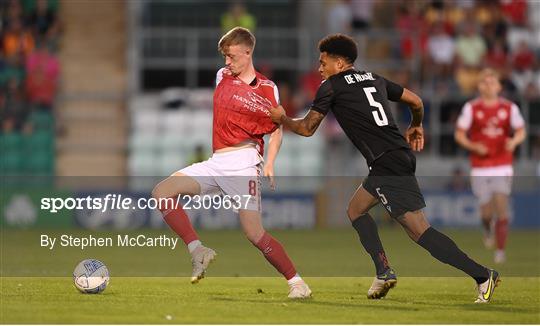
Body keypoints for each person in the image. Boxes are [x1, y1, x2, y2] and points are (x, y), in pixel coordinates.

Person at [269, 34, 499, 303]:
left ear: (340, 63)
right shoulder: (373, 78)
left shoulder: (331, 86)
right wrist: (416, 124)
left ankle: (482, 275)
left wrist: (282, 118)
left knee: (418, 230)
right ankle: (383, 270)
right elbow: (416, 101)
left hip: (387, 161)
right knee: (355, 210)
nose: (319, 68)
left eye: (323, 62)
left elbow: (308, 128)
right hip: (393, 157)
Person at [151, 27, 311, 299]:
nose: (227, 62)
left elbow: (276, 129)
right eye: (225, 56)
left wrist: (270, 163)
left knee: (255, 234)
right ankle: (198, 251)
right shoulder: (222, 76)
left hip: (243, 164)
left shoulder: (267, 88)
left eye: (232, 56)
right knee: (161, 192)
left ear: (248, 52)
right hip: (216, 162)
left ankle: (297, 283)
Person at [454, 68, 526, 264]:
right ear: (479, 86)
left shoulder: (510, 108)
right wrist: (473, 145)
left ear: (499, 86)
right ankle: (487, 228)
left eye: (492, 82)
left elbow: (521, 131)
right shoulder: (471, 108)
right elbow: (459, 134)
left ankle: (500, 251)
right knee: (486, 213)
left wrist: (513, 142)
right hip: (479, 166)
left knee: (501, 205)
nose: (489, 85)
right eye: (485, 82)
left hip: (502, 164)